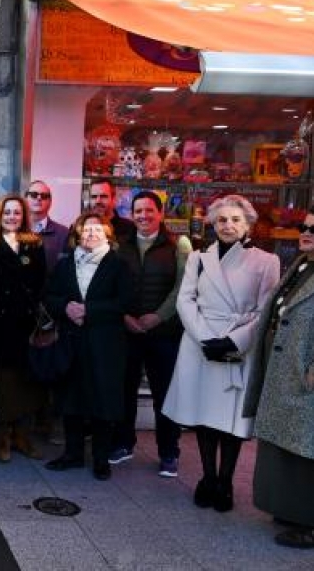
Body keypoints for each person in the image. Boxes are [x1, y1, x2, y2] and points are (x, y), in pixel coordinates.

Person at [163, 195, 279, 513]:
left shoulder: (266, 261)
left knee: (229, 420)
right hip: (200, 342)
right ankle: (207, 476)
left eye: (235, 220)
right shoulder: (198, 257)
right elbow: (184, 301)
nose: (228, 225)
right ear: (213, 224)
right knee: (204, 415)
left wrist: (233, 341)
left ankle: (225, 481)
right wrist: (204, 338)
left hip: (239, 345)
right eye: (221, 220)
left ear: (248, 224)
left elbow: (265, 309)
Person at [244, 203, 314, 548]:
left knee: (310, 453)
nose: (305, 233)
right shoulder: (303, 265)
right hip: (284, 372)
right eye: (305, 227)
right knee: (285, 448)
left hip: (310, 378)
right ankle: (289, 508)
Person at [109, 191, 191, 478]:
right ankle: (123, 443)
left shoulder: (177, 245)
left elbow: (183, 288)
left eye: (149, 210)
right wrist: (125, 316)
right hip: (127, 331)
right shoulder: (122, 246)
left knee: (164, 394)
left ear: (160, 213)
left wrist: (159, 316)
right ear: (132, 214)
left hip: (163, 333)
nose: (143, 216)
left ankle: (169, 452)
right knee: (125, 391)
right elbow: (112, 285)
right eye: (138, 211)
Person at [44, 212, 132, 481]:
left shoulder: (118, 265)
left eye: (97, 229)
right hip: (72, 341)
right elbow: (50, 296)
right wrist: (65, 307)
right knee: (71, 399)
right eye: (86, 230)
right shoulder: (65, 264)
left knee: (102, 402)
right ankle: (72, 454)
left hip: (105, 344)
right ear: (77, 235)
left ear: (107, 234)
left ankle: (101, 458)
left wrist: (89, 310)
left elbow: (126, 302)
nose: (91, 234)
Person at [0, 194, 46, 462]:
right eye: (7, 212)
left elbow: (42, 281)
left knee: (26, 379)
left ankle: (22, 434)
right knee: (1, 380)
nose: (12, 217)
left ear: (23, 216)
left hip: (25, 324)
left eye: (16, 213)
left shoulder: (34, 244)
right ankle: (2, 436)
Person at [25, 180, 69, 274]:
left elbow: (66, 270)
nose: (39, 198)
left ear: (50, 202)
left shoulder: (64, 234)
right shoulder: (15, 231)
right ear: (25, 199)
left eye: (44, 196)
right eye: (34, 194)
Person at [88, 178, 136, 243]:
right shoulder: (80, 227)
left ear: (114, 199)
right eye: (94, 197)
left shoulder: (130, 229)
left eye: (103, 196)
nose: (98, 201)